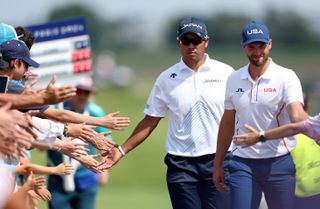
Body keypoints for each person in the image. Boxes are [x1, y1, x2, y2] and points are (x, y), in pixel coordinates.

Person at [101, 17, 234, 209]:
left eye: (196, 40)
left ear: (206, 42)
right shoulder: (166, 78)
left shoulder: (225, 73)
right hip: (181, 164)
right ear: (179, 43)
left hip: (219, 159)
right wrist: (121, 151)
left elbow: (239, 114)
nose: (191, 46)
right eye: (186, 41)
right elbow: (150, 121)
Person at [213, 21, 308, 209]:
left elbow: (297, 115)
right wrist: (217, 164)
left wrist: (312, 128)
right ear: (244, 47)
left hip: (278, 162)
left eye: (261, 46)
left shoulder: (286, 77)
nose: (257, 52)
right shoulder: (234, 78)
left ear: (270, 44)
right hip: (242, 164)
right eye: (251, 46)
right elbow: (227, 122)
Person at [47, 77, 112, 209]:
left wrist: (104, 169)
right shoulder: (56, 110)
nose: (82, 96)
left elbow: (106, 143)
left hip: (85, 176)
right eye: (79, 92)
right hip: (59, 174)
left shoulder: (95, 112)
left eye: (86, 93)